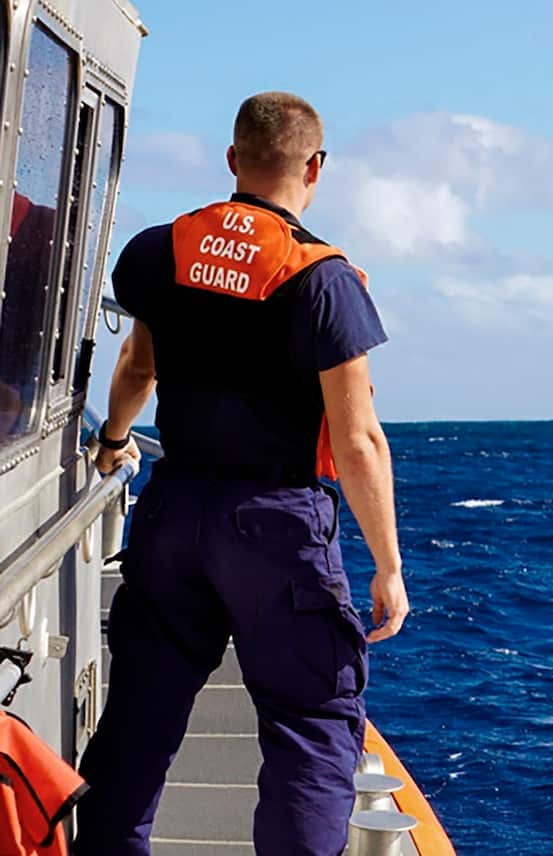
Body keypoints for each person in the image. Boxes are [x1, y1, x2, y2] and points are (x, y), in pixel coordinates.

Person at [73, 92, 410, 855]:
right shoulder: (322, 278)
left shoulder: (160, 251)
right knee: (310, 726)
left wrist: (113, 440)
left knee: (139, 717)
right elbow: (357, 442)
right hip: (277, 526)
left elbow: (137, 366)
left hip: (173, 514)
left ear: (233, 159)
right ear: (315, 168)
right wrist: (388, 566)